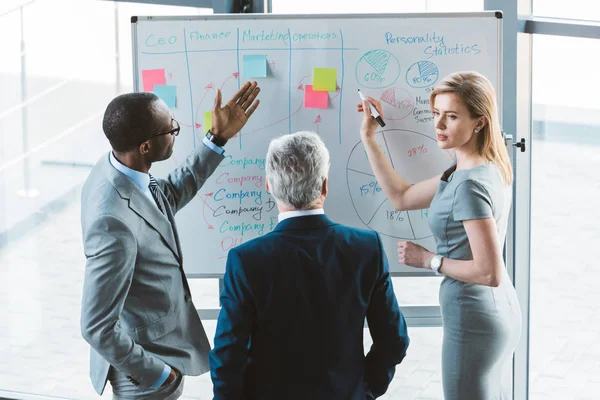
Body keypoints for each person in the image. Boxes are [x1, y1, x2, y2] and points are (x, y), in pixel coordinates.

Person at [80, 81, 260, 399]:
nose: (176, 130)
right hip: (143, 373)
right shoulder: (112, 222)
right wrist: (159, 375)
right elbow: (95, 326)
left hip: (162, 349)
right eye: (170, 129)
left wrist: (217, 138)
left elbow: (167, 195)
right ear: (146, 146)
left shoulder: (121, 167)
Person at [357, 71, 521, 399]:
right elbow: (401, 197)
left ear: (479, 122)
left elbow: (489, 271)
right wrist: (369, 139)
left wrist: (429, 260)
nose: (439, 125)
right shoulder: (478, 170)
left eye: (451, 116)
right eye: (436, 114)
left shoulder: (470, 185)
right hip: (496, 311)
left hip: (474, 318)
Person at [209, 131, 410, 400]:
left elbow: (227, 354)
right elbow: (394, 340)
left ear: (269, 186)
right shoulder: (366, 248)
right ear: (325, 186)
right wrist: (365, 389)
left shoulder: (246, 260)